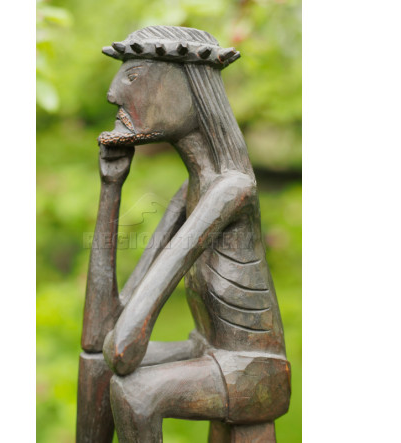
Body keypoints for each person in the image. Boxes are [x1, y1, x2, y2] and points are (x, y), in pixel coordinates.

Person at [87, 26, 291, 442]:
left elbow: (124, 348)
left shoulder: (231, 190)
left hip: (254, 369)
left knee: (136, 394)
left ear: (186, 87)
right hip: (208, 350)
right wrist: (111, 188)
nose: (113, 94)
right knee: (96, 366)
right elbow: (99, 335)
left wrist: (116, 345)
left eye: (133, 77)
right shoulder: (190, 192)